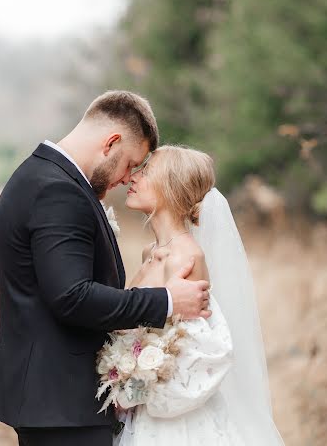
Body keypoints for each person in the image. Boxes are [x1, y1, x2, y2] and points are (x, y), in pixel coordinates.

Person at [0, 91, 211, 446]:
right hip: (62, 404)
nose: (126, 179)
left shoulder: (41, 176)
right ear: (110, 143)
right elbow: (73, 297)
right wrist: (167, 301)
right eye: (129, 164)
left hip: (54, 401)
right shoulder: (59, 192)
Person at [114, 144, 285, 445]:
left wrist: (130, 394)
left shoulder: (187, 257)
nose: (133, 178)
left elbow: (183, 356)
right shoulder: (150, 252)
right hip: (139, 412)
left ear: (170, 188)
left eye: (147, 172)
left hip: (174, 424)